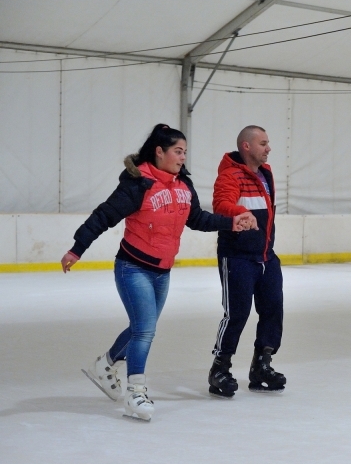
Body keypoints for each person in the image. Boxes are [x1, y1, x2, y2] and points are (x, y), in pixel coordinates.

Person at [60, 124, 256, 421]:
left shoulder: (182, 185)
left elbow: (198, 219)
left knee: (142, 326)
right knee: (145, 330)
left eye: (185, 152)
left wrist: (231, 223)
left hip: (162, 272)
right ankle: (135, 392)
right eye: (178, 151)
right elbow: (103, 215)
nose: (182, 158)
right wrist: (77, 248)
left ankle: (107, 363)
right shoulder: (139, 183)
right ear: (159, 152)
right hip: (132, 267)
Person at [208, 125, 286, 398]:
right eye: (263, 143)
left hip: (266, 255)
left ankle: (262, 366)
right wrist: (241, 212)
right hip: (238, 256)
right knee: (237, 314)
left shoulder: (265, 174)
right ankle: (220, 368)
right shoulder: (229, 176)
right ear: (247, 146)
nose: (269, 148)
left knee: (273, 310)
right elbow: (221, 205)